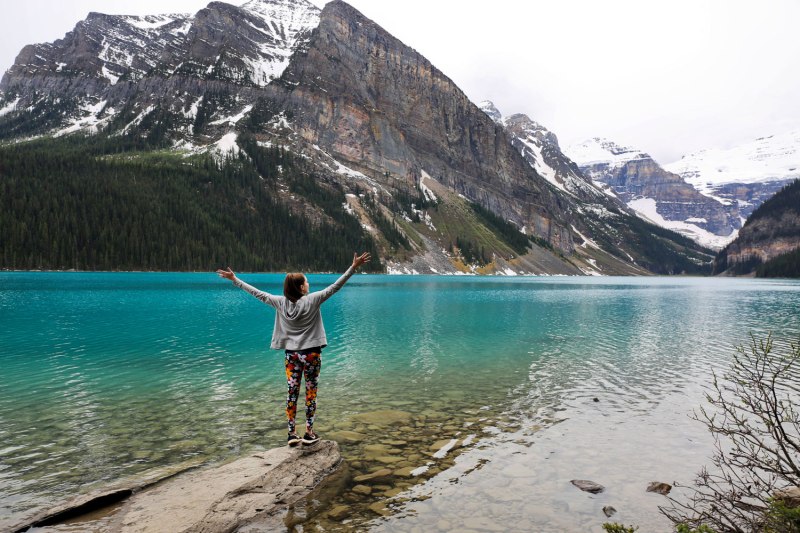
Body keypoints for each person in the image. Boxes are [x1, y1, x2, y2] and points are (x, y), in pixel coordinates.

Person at [216, 252, 371, 447]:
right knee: (310, 392)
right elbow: (336, 286)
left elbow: (257, 293)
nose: (308, 284)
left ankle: (291, 434)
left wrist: (235, 279)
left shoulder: (279, 302)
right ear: (300, 287)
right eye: (306, 282)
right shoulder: (313, 300)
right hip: (312, 354)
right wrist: (353, 268)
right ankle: (309, 433)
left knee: (292, 392)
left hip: (291, 355)